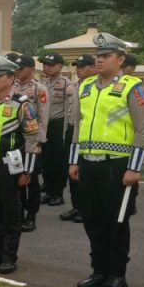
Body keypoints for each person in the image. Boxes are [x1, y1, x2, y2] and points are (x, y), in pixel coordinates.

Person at [68, 33, 144, 287]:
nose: (100, 60)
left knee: (116, 221)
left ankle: (117, 274)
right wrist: (74, 160)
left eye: (106, 56)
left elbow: (143, 130)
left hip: (117, 165)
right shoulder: (86, 86)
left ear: (120, 58)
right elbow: (78, 126)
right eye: (98, 56)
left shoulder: (132, 86)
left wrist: (135, 167)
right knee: (92, 220)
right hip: (89, 163)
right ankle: (98, 270)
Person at [0, 55, 39, 275]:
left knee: (11, 213)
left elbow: (32, 139)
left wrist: (27, 171)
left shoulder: (22, 104)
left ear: (11, 78)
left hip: (9, 167)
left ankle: (9, 256)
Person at [10, 54, 49, 232]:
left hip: (31, 141)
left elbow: (42, 117)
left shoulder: (39, 89)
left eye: (21, 68)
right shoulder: (12, 86)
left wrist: (39, 142)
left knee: (30, 179)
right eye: (16, 69)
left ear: (31, 70)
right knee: (14, 177)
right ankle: (17, 212)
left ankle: (31, 214)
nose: (17, 71)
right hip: (14, 141)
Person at [59, 55, 92, 224]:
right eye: (77, 66)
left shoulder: (94, 87)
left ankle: (86, 208)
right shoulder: (73, 87)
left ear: (93, 68)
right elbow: (67, 112)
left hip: (85, 134)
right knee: (71, 171)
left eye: (83, 66)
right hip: (72, 131)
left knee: (83, 174)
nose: (79, 69)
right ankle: (76, 205)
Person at [40, 54, 70, 207]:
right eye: (45, 64)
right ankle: (49, 190)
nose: (47, 67)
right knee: (46, 160)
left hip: (58, 125)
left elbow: (69, 108)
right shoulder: (42, 83)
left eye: (51, 65)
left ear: (60, 66)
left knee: (59, 161)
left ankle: (58, 193)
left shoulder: (66, 84)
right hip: (44, 125)